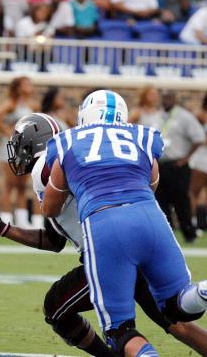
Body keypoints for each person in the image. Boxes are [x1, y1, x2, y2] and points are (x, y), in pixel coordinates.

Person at [0, 112, 207, 356]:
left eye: (19, 142)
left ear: (32, 142)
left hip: (105, 250)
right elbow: (54, 240)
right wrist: (4, 229)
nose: (16, 150)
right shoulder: (72, 158)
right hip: (141, 235)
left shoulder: (48, 165)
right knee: (177, 321)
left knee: (69, 313)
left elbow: (54, 202)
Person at [42, 90, 207, 356]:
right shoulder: (142, 136)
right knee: (177, 306)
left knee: (120, 331)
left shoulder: (66, 141)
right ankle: (203, 291)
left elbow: (50, 208)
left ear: (84, 113)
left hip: (105, 222)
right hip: (150, 217)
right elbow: (152, 182)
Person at [155, 90, 206, 243]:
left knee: (181, 200)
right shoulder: (158, 116)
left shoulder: (185, 116)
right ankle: (167, 232)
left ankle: (189, 233)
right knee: (161, 200)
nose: (166, 101)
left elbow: (198, 138)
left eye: (169, 97)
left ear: (175, 99)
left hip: (178, 165)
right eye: (164, 98)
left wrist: (186, 158)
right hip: (161, 164)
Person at [0, 76, 38, 228]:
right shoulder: (11, 103)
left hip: (25, 148)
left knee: (22, 185)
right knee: (9, 184)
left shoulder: (32, 104)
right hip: (11, 147)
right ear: (18, 87)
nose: (29, 86)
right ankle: (5, 219)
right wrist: (7, 132)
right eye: (26, 84)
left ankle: (22, 219)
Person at [189, 93, 207, 235]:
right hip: (202, 158)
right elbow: (194, 135)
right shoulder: (200, 115)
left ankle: (202, 221)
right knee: (195, 190)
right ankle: (193, 221)